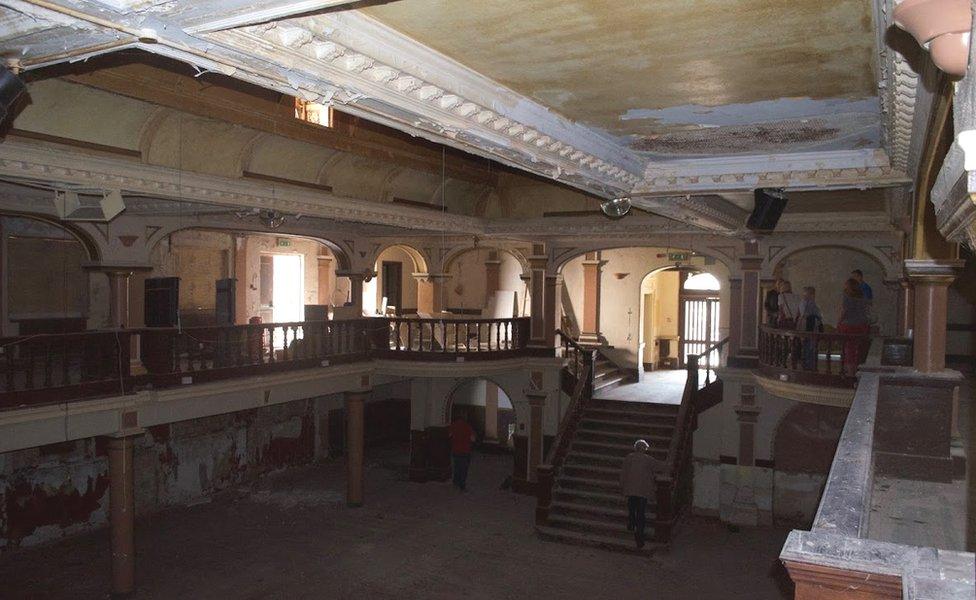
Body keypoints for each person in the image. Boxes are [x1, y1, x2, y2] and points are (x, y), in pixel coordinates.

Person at [620, 439, 666, 548]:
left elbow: (623, 473)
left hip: (631, 489)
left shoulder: (629, 458)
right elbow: (661, 467)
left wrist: (622, 486)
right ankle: (639, 535)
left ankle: (631, 523)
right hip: (642, 491)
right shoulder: (648, 459)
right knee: (641, 513)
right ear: (644, 449)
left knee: (632, 509)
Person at [838, 278, 871, 374]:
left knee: (849, 349)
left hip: (849, 325)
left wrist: (839, 322)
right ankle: (856, 370)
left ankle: (850, 371)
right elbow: (866, 311)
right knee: (858, 349)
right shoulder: (862, 297)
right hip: (861, 325)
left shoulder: (847, 297)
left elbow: (844, 311)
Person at [449, 413, 476, 491]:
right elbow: (473, 439)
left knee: (457, 467)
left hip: (455, 450)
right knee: (463, 469)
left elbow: (449, 435)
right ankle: (462, 485)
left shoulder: (453, 425)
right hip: (465, 451)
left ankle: (455, 482)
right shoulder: (468, 427)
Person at [798, 286, 823, 371]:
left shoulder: (812, 303)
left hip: (812, 326)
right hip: (808, 326)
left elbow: (819, 314)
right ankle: (807, 365)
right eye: (811, 294)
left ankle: (810, 364)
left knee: (811, 346)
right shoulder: (804, 303)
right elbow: (806, 314)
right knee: (808, 345)